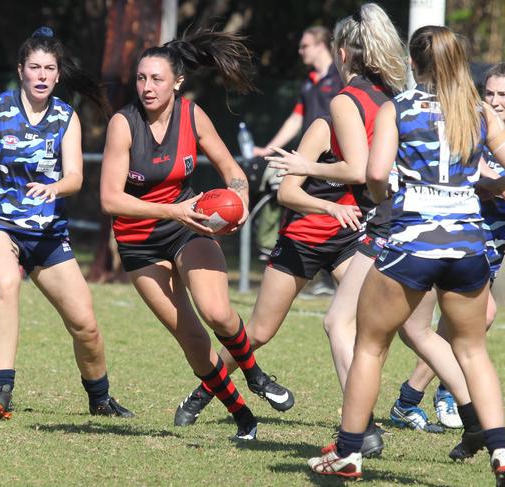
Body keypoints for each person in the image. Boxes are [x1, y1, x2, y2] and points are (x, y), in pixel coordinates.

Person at [174, 3, 407, 454]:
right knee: (258, 332)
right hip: (304, 237)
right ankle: (207, 389)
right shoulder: (324, 124)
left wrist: (348, 207)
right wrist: (326, 203)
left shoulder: (375, 107)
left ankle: (362, 424)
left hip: (348, 238)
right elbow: (287, 195)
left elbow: (368, 170)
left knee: (355, 324)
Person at [307, 26, 505, 486]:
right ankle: (502, 453)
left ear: (412, 64)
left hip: (413, 243)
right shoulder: (479, 110)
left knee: (370, 344)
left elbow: (373, 172)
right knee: (472, 351)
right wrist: (481, 185)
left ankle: (349, 453)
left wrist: (384, 195)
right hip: (469, 247)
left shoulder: (399, 108)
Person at [0, 27, 133, 420]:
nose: (41, 75)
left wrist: (54, 188)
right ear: (21, 70)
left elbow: (75, 177)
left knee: (85, 324)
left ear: (57, 74)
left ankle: (100, 399)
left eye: (48, 68)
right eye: (33, 67)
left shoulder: (66, 118)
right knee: (6, 281)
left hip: (47, 232)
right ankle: (2, 389)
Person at [99, 28, 293, 440]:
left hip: (188, 226)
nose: (147, 87)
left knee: (218, 312)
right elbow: (111, 200)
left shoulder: (192, 115)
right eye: (141, 78)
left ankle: (255, 376)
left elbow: (233, 173)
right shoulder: (123, 123)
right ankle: (244, 417)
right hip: (139, 241)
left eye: (156, 79)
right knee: (191, 338)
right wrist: (173, 210)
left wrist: (238, 204)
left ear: (177, 82)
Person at [388, 57, 505, 449]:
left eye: (502, 94)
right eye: (488, 92)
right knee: (431, 323)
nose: (493, 100)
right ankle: (435, 395)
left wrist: (492, 181)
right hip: (443, 235)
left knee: (463, 323)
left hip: (487, 246)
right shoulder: (466, 124)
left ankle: (419, 397)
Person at [252, 25, 342, 281]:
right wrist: (268, 149)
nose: (300, 50)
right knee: (289, 199)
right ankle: (280, 257)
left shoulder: (340, 78)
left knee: (336, 214)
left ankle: (329, 278)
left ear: (321, 45)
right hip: (308, 160)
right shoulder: (309, 82)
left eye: (305, 45)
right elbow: (295, 119)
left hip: (334, 164)